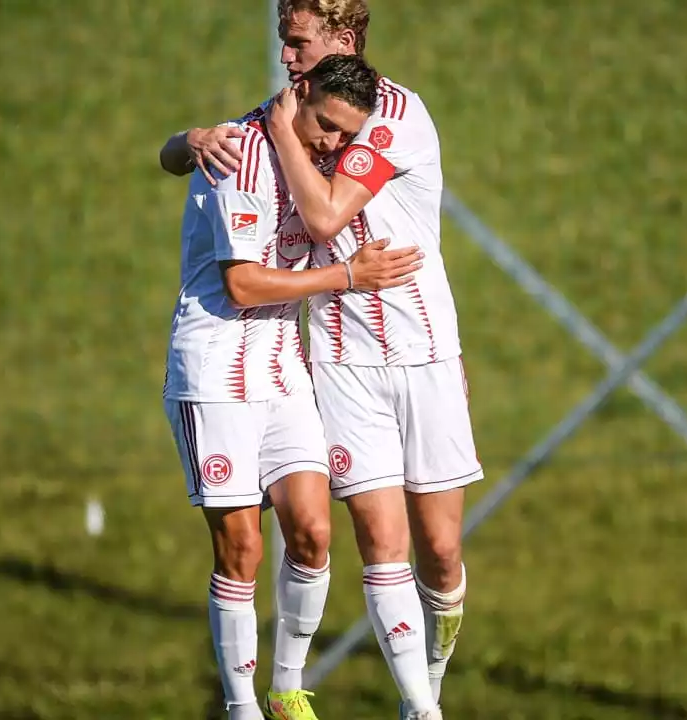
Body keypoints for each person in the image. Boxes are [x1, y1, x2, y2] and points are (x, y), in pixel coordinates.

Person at [159, 4, 481, 718]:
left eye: (298, 40)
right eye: (283, 38)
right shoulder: (271, 124)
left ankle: (427, 677)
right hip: (336, 360)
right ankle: (409, 708)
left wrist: (282, 132)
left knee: (441, 548)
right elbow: (193, 158)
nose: (285, 53)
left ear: (344, 39)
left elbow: (328, 216)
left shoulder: (390, 114)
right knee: (370, 539)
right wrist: (190, 140)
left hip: (424, 350)